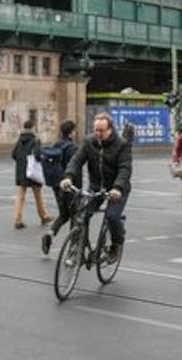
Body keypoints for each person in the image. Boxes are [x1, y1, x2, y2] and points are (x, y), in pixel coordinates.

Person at [60, 112, 132, 265]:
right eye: (96, 130)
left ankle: (115, 245)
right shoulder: (89, 142)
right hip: (96, 188)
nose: (98, 134)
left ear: (110, 129)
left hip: (117, 189)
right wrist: (68, 177)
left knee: (112, 216)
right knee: (81, 216)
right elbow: (77, 160)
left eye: (101, 130)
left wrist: (117, 188)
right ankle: (78, 248)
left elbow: (124, 169)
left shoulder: (121, 145)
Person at [41, 120, 77, 255]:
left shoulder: (56, 144)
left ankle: (50, 233)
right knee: (75, 215)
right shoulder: (72, 148)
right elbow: (74, 168)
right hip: (69, 186)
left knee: (63, 214)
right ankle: (72, 246)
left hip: (56, 185)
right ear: (71, 132)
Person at [12, 119, 53, 229]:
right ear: (32, 128)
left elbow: (14, 154)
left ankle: (18, 219)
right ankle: (44, 215)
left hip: (21, 171)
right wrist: (44, 159)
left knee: (20, 196)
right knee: (38, 194)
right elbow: (38, 155)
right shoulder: (35, 140)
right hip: (32, 171)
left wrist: (21, 162)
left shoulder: (20, 139)